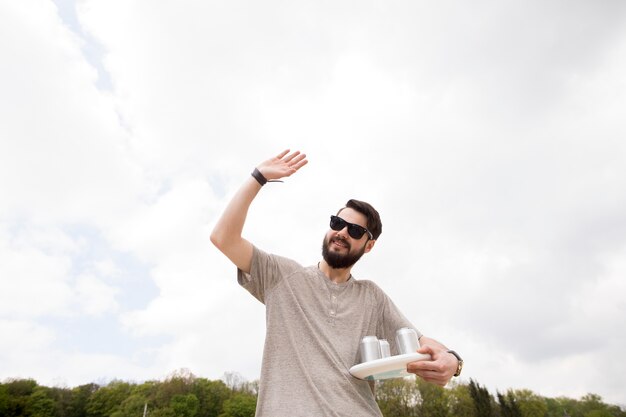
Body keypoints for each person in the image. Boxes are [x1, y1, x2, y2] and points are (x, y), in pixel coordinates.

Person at [211, 149, 463, 417]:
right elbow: (223, 238)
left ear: (369, 246)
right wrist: (258, 177)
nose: (342, 232)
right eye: (337, 223)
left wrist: (454, 361)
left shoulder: (372, 297)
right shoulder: (281, 276)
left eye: (354, 231)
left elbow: (421, 341)